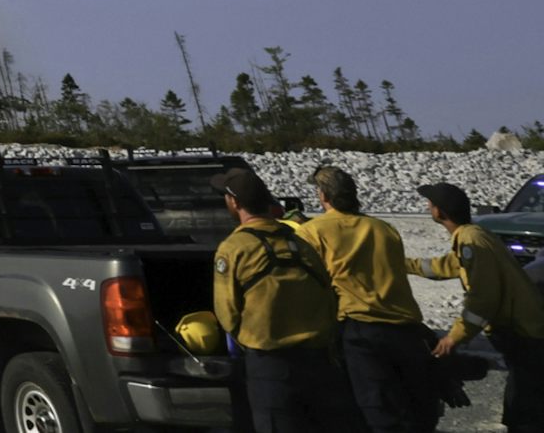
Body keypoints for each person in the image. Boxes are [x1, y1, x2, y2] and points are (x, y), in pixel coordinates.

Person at [211, 166, 359, 432]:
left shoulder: (234, 248)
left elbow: (227, 312)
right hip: (319, 362)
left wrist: (247, 342)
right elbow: (328, 294)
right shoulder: (300, 243)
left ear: (234, 202)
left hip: (270, 365)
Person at [295, 164, 438, 433]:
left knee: (377, 412)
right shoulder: (383, 228)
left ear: (323, 196)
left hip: (359, 331)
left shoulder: (312, 232)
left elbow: (309, 285)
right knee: (414, 409)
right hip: (405, 328)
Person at [406, 181, 544, 433]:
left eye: (430, 203)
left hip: (525, 335)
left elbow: (483, 300)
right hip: (527, 331)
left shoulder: (471, 241)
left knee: (526, 406)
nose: (428, 207)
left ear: (440, 212)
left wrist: (454, 338)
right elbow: (445, 266)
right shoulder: (473, 235)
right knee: (524, 398)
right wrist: (402, 263)